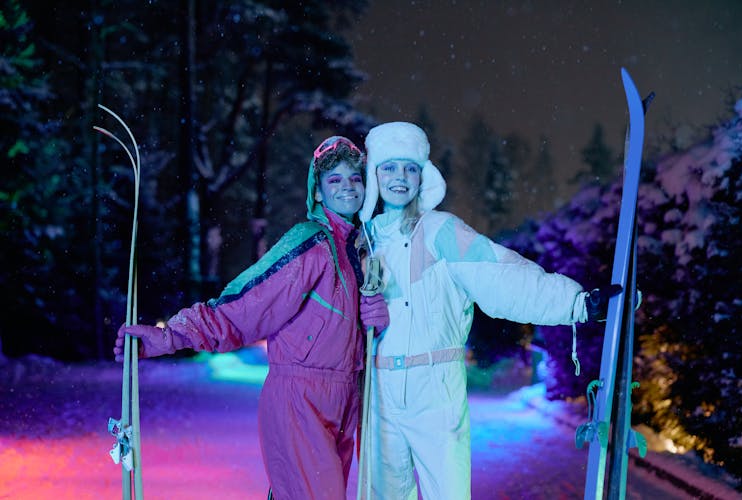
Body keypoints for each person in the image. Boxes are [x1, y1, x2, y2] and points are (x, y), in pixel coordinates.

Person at [114, 136, 390, 500]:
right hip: (299, 398)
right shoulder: (309, 243)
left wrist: (377, 320)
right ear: (318, 192)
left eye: (354, 178)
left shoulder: (360, 249)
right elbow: (246, 306)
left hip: (344, 399)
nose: (347, 187)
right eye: (334, 179)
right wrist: (171, 336)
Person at [357, 122, 621, 499]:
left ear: (423, 175)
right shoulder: (364, 241)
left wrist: (575, 303)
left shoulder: (441, 231)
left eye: (410, 168)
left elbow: (502, 275)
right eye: (389, 167)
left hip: (434, 387)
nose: (400, 177)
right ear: (374, 174)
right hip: (379, 393)